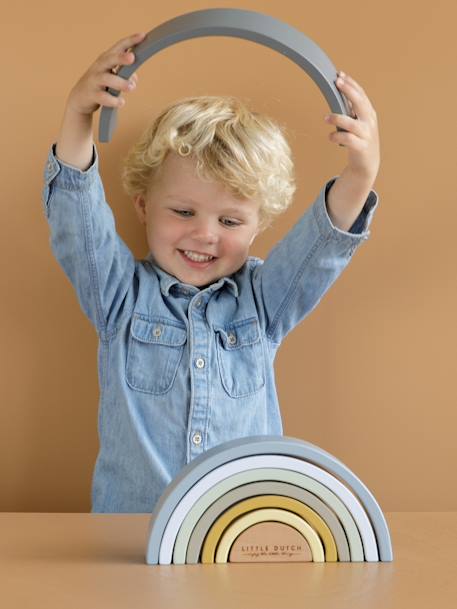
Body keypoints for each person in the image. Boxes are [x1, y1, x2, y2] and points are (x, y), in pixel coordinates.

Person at [42, 33, 380, 513]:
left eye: (229, 221)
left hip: (241, 535)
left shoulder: (263, 303)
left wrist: (361, 174)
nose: (204, 235)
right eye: (182, 212)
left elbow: (321, 246)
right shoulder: (119, 296)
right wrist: (78, 115)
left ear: (258, 225)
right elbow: (77, 217)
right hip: (131, 537)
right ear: (143, 205)